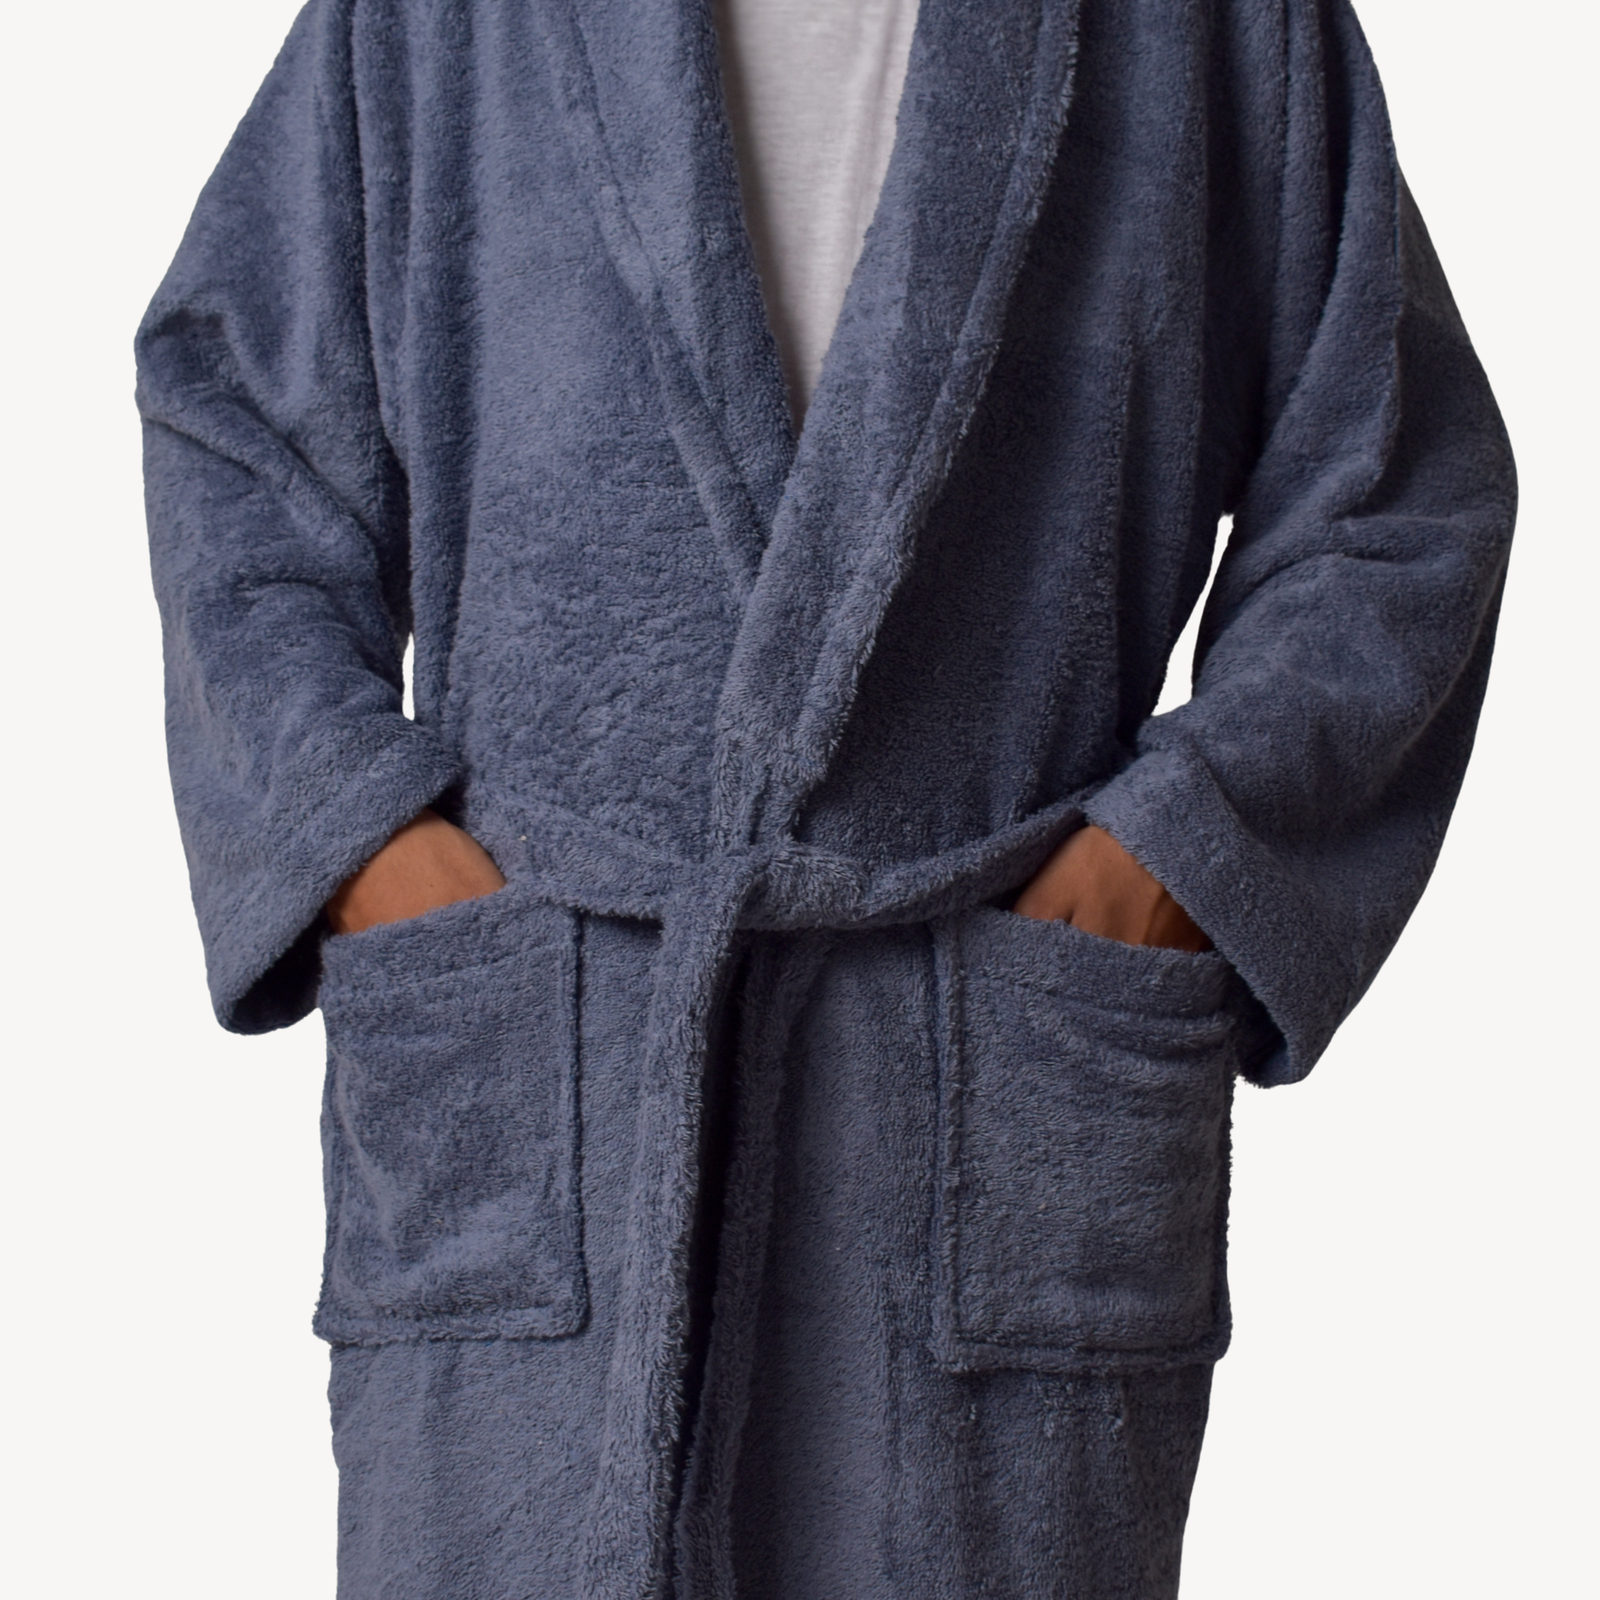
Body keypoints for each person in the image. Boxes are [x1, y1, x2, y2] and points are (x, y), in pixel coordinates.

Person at [136, 0, 1515, 1595]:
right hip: (551, 1087)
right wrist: (370, 853)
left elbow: (1392, 502)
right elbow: (238, 434)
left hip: (984, 1088)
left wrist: (1173, 866)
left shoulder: (1203, 25)